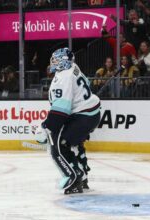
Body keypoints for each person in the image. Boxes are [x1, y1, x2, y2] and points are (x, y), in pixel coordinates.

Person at [35, 48, 101, 195]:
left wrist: (46, 128)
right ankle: (82, 175)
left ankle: (72, 177)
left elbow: (61, 111)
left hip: (83, 116)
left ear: (64, 61)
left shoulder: (63, 77)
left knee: (58, 146)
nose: (53, 62)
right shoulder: (73, 67)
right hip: (91, 113)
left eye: (57, 60)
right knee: (75, 143)